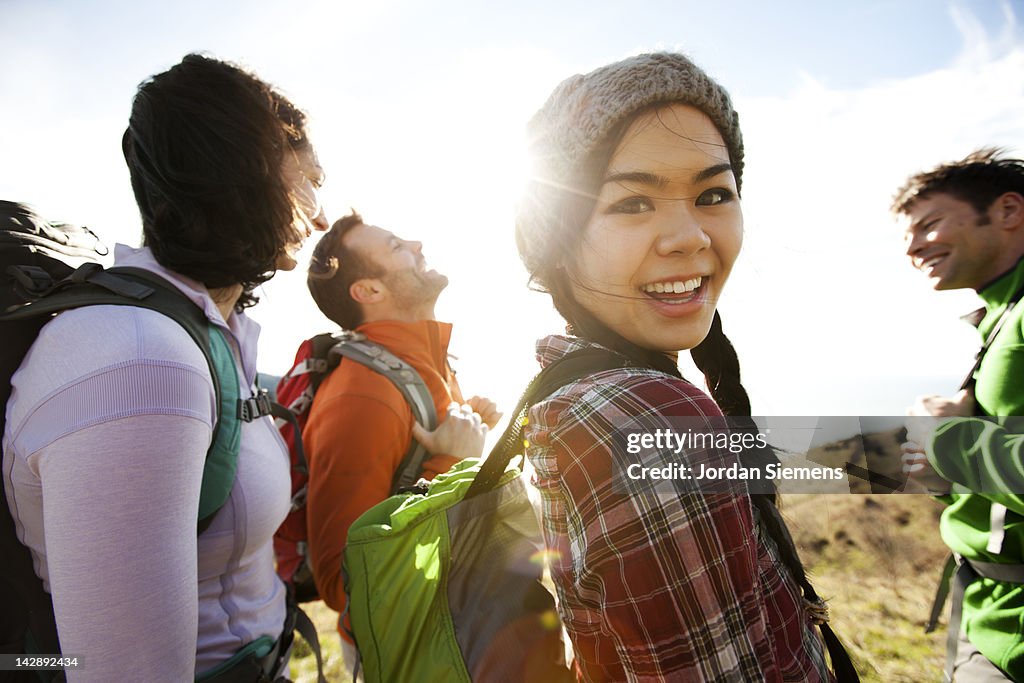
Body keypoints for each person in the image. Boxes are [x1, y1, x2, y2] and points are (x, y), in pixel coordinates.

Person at [514, 52, 843, 681]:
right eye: (633, 203)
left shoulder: (577, 390)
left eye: (713, 193)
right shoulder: (647, 411)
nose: (689, 236)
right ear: (557, 239)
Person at [3, 54, 327, 682]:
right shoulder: (139, 358)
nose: (318, 213)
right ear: (247, 171)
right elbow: (125, 673)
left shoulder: (195, 328)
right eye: (309, 179)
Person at [300, 211, 497, 671]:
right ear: (369, 290)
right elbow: (342, 580)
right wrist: (451, 461)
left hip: (455, 630)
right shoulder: (362, 393)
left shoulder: (426, 367)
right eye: (395, 246)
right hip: (410, 652)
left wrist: (468, 436)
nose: (416, 242)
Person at [897, 148, 1024, 681]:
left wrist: (948, 439)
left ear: (1008, 211)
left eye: (929, 225)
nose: (913, 247)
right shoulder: (1002, 312)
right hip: (987, 608)